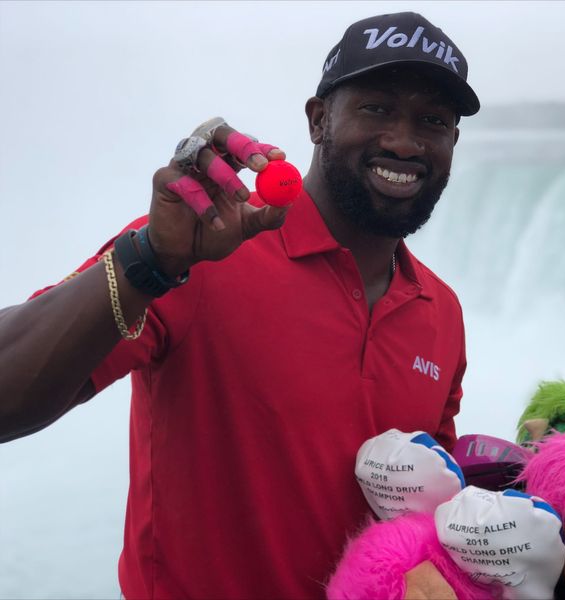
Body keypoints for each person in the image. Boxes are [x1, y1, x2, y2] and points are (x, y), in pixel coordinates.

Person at [0, 11, 480, 599]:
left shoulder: (442, 312)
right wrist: (149, 260)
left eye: (432, 121)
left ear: (452, 143)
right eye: (377, 108)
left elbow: (420, 512)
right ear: (318, 119)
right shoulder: (201, 252)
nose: (405, 141)